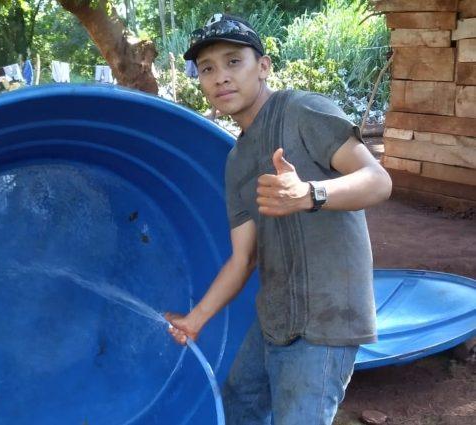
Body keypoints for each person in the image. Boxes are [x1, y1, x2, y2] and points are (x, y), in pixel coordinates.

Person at [164, 13, 392, 425]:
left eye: (234, 61)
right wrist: (195, 320)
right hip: (275, 317)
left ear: (263, 66)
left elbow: (378, 181)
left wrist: (311, 193)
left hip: (328, 318)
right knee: (238, 406)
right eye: (208, 69)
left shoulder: (304, 112)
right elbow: (242, 259)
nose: (220, 78)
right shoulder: (236, 161)